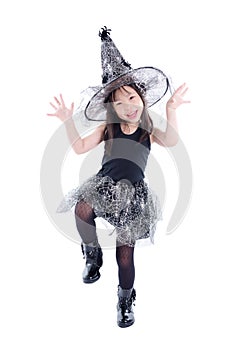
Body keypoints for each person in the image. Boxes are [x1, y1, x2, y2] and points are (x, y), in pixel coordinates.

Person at [47, 26, 190, 328]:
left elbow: (174, 140)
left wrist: (172, 108)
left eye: (133, 98)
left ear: (142, 99)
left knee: (126, 257)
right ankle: (92, 252)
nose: (129, 106)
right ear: (112, 107)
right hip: (104, 188)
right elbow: (79, 146)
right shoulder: (107, 129)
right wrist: (66, 122)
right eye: (120, 102)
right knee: (82, 209)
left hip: (133, 198)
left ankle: (125, 298)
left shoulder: (148, 131)